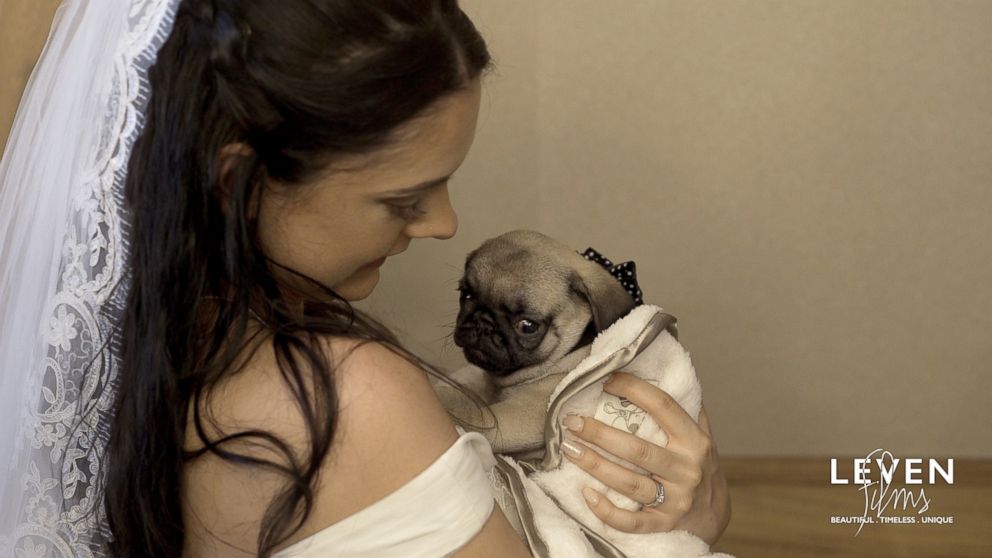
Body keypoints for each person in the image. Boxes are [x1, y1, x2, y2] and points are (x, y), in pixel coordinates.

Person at [0, 1, 730, 556]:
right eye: (403, 199)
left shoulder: (118, 352)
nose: (444, 224)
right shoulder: (345, 398)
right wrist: (702, 524)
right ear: (239, 181)